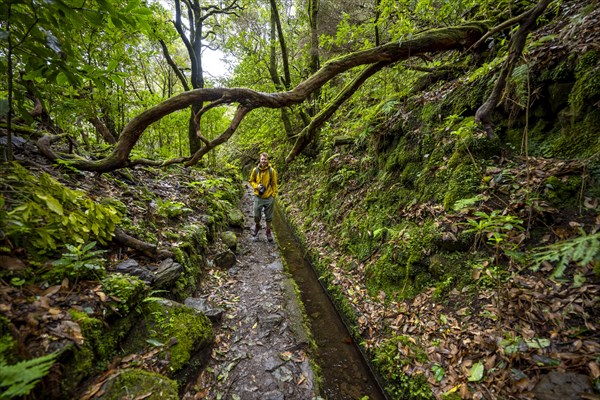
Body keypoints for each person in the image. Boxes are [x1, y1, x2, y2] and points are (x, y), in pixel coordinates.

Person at [249, 152, 278, 242]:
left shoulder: (271, 171)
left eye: (265, 159)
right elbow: (251, 180)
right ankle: (257, 225)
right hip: (258, 196)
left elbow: (274, 184)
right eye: (262, 159)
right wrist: (256, 186)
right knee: (256, 215)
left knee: (269, 217)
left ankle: (268, 231)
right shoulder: (255, 170)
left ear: (268, 160)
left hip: (269, 197)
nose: (263, 161)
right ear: (260, 160)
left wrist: (273, 195)